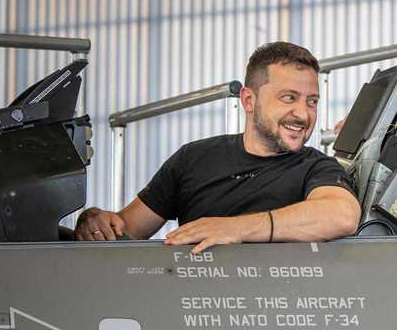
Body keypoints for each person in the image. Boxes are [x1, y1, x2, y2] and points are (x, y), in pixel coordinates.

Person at [74, 42, 360, 253]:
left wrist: (235, 228)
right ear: (249, 100)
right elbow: (126, 229)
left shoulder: (317, 167)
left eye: (312, 101)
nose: (303, 114)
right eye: (289, 98)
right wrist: (94, 221)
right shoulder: (193, 159)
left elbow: (341, 215)